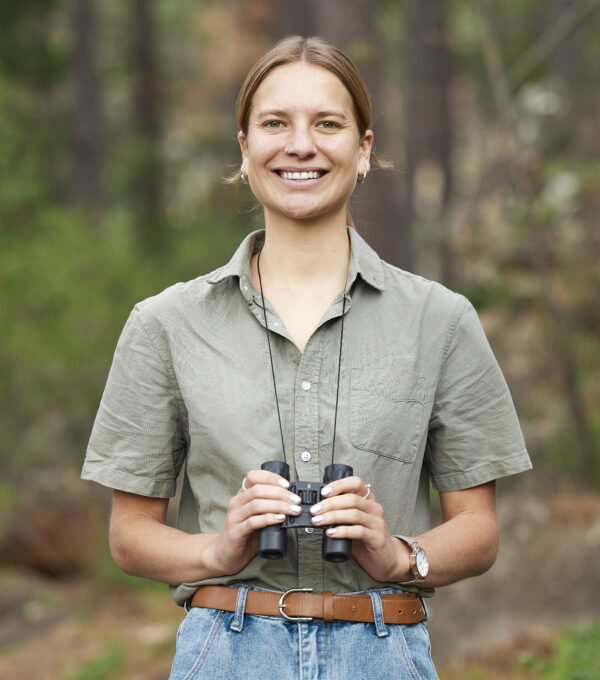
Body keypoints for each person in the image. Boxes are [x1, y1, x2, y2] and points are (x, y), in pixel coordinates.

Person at [82, 36, 532, 679]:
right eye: (274, 123)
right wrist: (217, 549)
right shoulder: (166, 324)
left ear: (364, 148)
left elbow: (479, 529)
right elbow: (129, 535)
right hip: (227, 649)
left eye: (327, 123)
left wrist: (398, 555)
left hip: (384, 650)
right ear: (244, 149)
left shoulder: (441, 320)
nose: (300, 145)